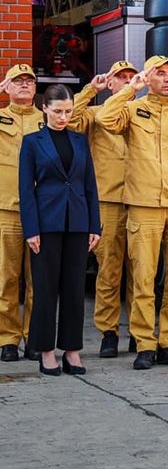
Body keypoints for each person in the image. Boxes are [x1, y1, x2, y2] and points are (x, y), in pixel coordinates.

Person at [95, 55, 168, 369]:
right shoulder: (132, 109)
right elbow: (104, 118)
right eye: (160, 74)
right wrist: (132, 88)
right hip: (143, 205)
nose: (167, 79)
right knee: (143, 277)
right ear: (148, 77)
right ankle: (144, 343)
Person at [20, 85, 100, 377]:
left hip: (77, 223)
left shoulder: (80, 141)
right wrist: (31, 229)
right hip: (46, 224)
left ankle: (72, 350)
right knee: (45, 289)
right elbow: (26, 189)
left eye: (68, 111)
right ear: (45, 108)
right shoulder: (32, 142)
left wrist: (94, 225)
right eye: (57, 111)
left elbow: (89, 184)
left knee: (74, 289)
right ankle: (45, 351)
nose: (63, 117)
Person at [72, 61, 137, 357]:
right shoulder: (96, 114)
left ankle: (138, 331)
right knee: (109, 270)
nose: (126, 81)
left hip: (141, 201)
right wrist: (90, 89)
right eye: (120, 78)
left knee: (141, 272)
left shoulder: (143, 112)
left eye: (131, 77)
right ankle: (108, 332)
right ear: (110, 83)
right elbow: (68, 119)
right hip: (107, 202)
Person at [0, 64, 44, 361]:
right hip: (7, 208)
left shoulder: (47, 119)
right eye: (18, 81)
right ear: (7, 86)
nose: (25, 84)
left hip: (42, 211)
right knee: (6, 278)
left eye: (29, 80)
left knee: (38, 280)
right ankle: (7, 338)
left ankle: (34, 338)